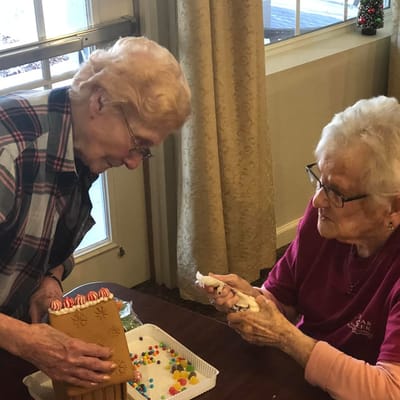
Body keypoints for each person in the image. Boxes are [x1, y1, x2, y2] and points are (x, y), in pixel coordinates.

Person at [0, 36, 191, 391]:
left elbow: (45, 239)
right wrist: (23, 339)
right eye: (138, 145)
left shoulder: (79, 146)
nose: (134, 163)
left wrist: (47, 280)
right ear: (100, 102)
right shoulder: (9, 152)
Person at [203, 96, 400, 400]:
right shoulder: (324, 219)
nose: (318, 200)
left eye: (336, 193)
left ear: (393, 206)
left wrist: (286, 337)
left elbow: (389, 391)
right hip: (304, 375)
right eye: (320, 179)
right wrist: (249, 301)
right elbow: (281, 297)